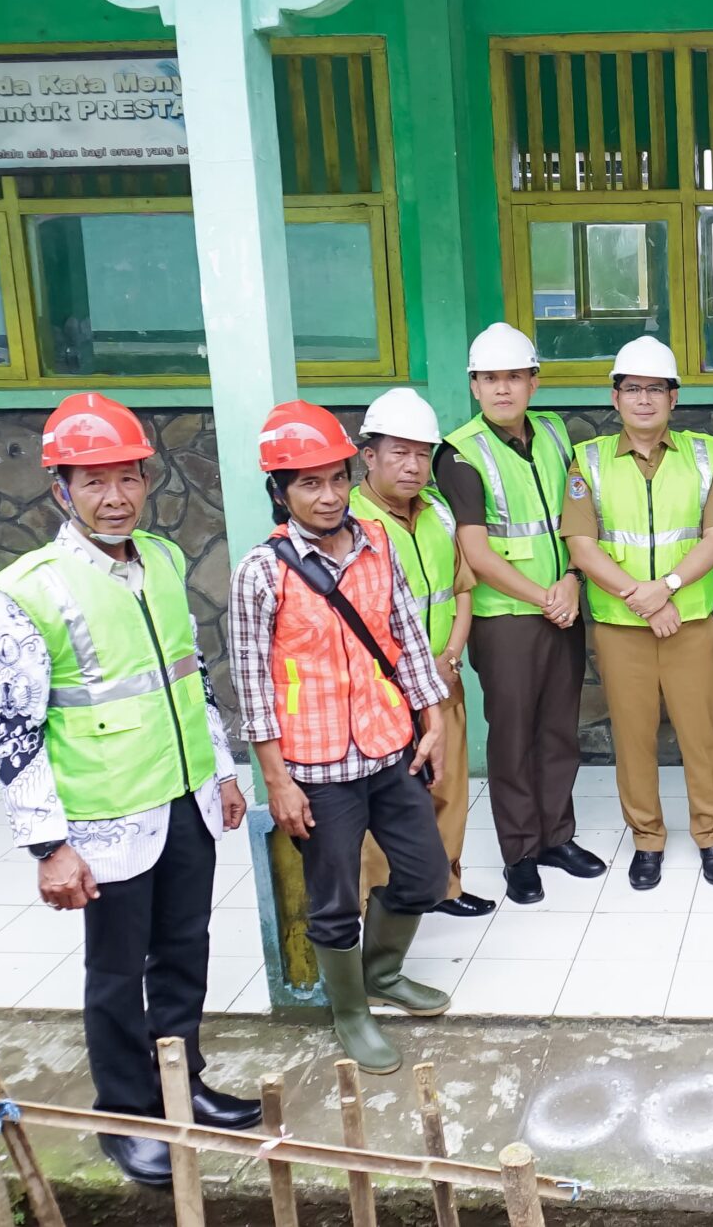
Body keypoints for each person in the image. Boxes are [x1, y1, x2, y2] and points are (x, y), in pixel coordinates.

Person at [0, 394, 260, 1187]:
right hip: (105, 818)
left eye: (128, 478)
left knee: (184, 949)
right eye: (94, 482)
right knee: (115, 972)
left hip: (184, 798)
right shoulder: (28, 590)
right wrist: (48, 846)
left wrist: (221, 769)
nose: (115, 497)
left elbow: (188, 674)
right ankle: (126, 1116)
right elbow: (11, 731)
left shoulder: (163, 560)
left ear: (146, 479)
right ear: (60, 489)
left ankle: (182, 1083)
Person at [228, 401, 452, 1075]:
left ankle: (381, 972)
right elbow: (252, 686)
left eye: (336, 479)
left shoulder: (377, 544)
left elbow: (405, 635)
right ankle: (349, 1010)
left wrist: (433, 717)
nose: (328, 496)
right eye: (308, 484)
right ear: (280, 492)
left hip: (389, 747)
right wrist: (277, 781)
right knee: (332, 902)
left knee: (425, 873)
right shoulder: (261, 572)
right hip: (317, 766)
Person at [435, 323, 604, 906]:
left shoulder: (554, 433)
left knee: (559, 729)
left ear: (534, 381)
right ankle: (521, 854)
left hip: (563, 604)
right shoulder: (459, 453)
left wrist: (573, 580)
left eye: (513, 376)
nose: (502, 388)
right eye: (489, 379)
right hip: (506, 618)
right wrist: (547, 597)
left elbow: (578, 520)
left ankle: (557, 836)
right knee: (512, 738)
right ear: (474, 386)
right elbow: (476, 552)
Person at [563, 336, 713, 889]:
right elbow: (582, 547)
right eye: (632, 389)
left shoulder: (704, 454)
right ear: (615, 397)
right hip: (623, 628)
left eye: (655, 389)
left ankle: (711, 835)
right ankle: (646, 839)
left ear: (673, 397)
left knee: (701, 736)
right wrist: (641, 598)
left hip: (689, 623)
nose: (644, 399)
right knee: (633, 738)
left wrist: (665, 588)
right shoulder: (589, 460)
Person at [350, 390, 494, 918]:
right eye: (399, 453)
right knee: (385, 803)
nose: (413, 466)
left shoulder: (439, 513)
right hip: (384, 693)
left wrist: (451, 657)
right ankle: (384, 904)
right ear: (370, 456)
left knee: (449, 789)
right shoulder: (351, 523)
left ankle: (444, 887)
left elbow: (462, 589)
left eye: (421, 454)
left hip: (441, 679)